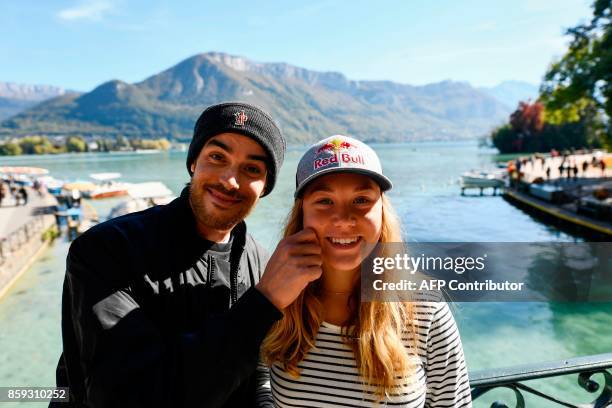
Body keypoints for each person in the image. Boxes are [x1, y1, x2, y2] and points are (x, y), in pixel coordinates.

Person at [51, 102, 322, 408]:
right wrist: (264, 302)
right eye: (217, 157)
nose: (230, 180)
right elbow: (126, 394)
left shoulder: (259, 262)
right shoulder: (108, 250)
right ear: (194, 162)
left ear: (264, 187)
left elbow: (256, 371)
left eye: (252, 169)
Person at [257, 135, 472, 407]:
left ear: (382, 211)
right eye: (324, 201)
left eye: (361, 200)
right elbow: (258, 374)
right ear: (302, 215)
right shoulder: (279, 297)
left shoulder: (424, 307)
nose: (344, 219)